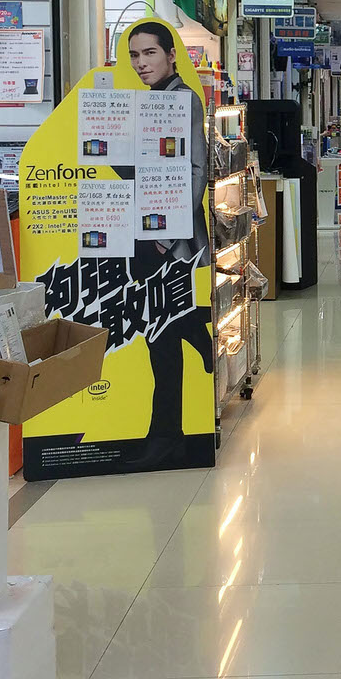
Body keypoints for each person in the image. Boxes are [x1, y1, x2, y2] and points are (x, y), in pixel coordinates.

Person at [125, 23, 210, 465]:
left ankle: (166, 438)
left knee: (160, 342)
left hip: (168, 244)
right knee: (161, 333)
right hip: (151, 238)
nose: (142, 63)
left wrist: (164, 236)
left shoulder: (181, 100)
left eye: (150, 53)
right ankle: (197, 329)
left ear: (172, 54)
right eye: (135, 55)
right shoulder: (151, 100)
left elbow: (195, 170)